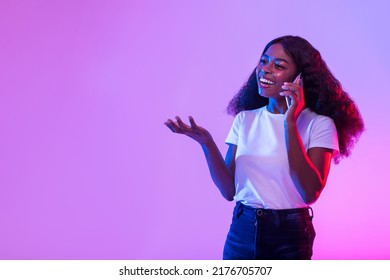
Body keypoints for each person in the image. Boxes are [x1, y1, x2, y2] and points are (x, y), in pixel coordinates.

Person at [164, 35, 364, 260]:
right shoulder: (244, 119)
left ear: (300, 78)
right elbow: (229, 191)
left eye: (279, 66)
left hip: (290, 235)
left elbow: (310, 192)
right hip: (243, 229)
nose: (265, 70)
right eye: (264, 61)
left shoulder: (319, 124)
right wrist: (207, 143)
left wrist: (289, 122)